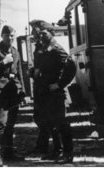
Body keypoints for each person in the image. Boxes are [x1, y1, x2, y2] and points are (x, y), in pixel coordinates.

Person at [0, 25, 26, 166]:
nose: (10, 38)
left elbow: (20, 71)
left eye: (12, 35)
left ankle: (8, 152)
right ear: (2, 36)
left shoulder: (15, 51)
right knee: (1, 122)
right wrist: (3, 62)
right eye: (7, 35)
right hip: (0, 89)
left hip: (13, 89)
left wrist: (23, 91)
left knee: (11, 123)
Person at [36, 22, 74, 164]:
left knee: (61, 123)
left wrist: (59, 84)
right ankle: (57, 151)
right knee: (51, 123)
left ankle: (68, 153)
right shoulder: (46, 48)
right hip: (46, 92)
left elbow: (71, 66)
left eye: (44, 33)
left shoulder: (57, 49)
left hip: (55, 93)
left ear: (52, 33)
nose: (41, 35)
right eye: (40, 33)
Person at [28, 20, 62, 159]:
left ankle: (55, 149)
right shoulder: (40, 46)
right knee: (41, 117)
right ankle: (42, 146)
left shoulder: (50, 47)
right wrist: (33, 71)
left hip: (48, 87)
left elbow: (60, 67)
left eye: (35, 31)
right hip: (40, 86)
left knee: (50, 119)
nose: (33, 34)